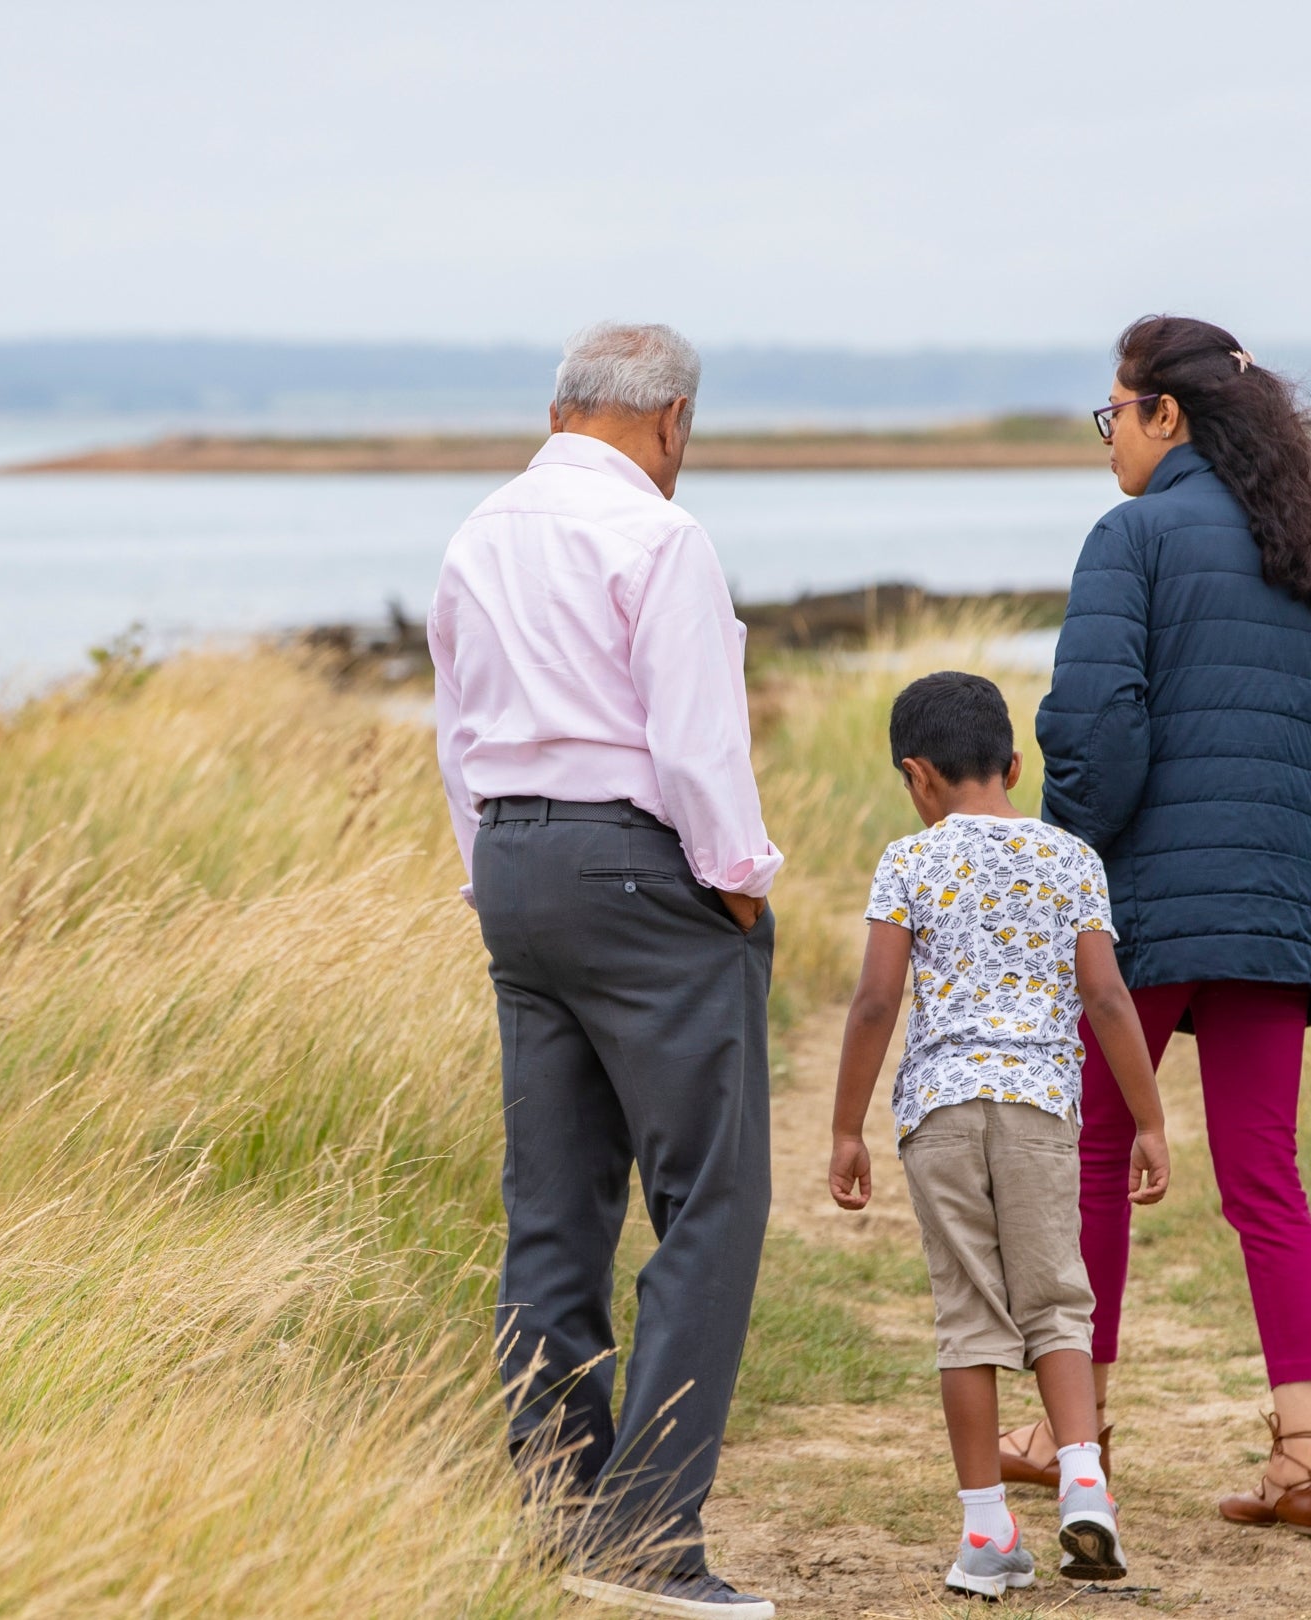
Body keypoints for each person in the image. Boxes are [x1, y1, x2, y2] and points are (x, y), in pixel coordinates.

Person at [430, 321, 781, 1618]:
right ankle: (646, 1545)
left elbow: (455, 734)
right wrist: (739, 883)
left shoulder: (480, 531)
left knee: (555, 1210)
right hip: (640, 873)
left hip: (517, 873)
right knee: (712, 1200)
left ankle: (561, 1520)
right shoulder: (660, 537)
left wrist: (494, 881)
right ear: (671, 421)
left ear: (561, 405)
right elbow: (695, 744)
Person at [1009, 316, 1311, 1536]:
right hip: (1268, 910)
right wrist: (1293, 902)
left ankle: (1077, 1435)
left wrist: (1071, 862)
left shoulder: (1132, 538)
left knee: (1094, 1160)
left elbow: (1098, 729)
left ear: (1169, 416)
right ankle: (1304, 1453)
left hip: (1142, 913)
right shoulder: (1301, 547)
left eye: (1116, 415)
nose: (1109, 440)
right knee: (1268, 1177)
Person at [827, 672, 1172, 1595]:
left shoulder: (909, 860)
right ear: (1017, 765)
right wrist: (1148, 1118)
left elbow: (873, 1002)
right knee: (1058, 1303)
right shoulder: (1072, 860)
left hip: (939, 1115)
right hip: (1038, 1111)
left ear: (917, 776)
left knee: (969, 1321)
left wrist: (846, 1129)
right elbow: (1105, 996)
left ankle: (986, 1535)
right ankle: (1086, 1490)